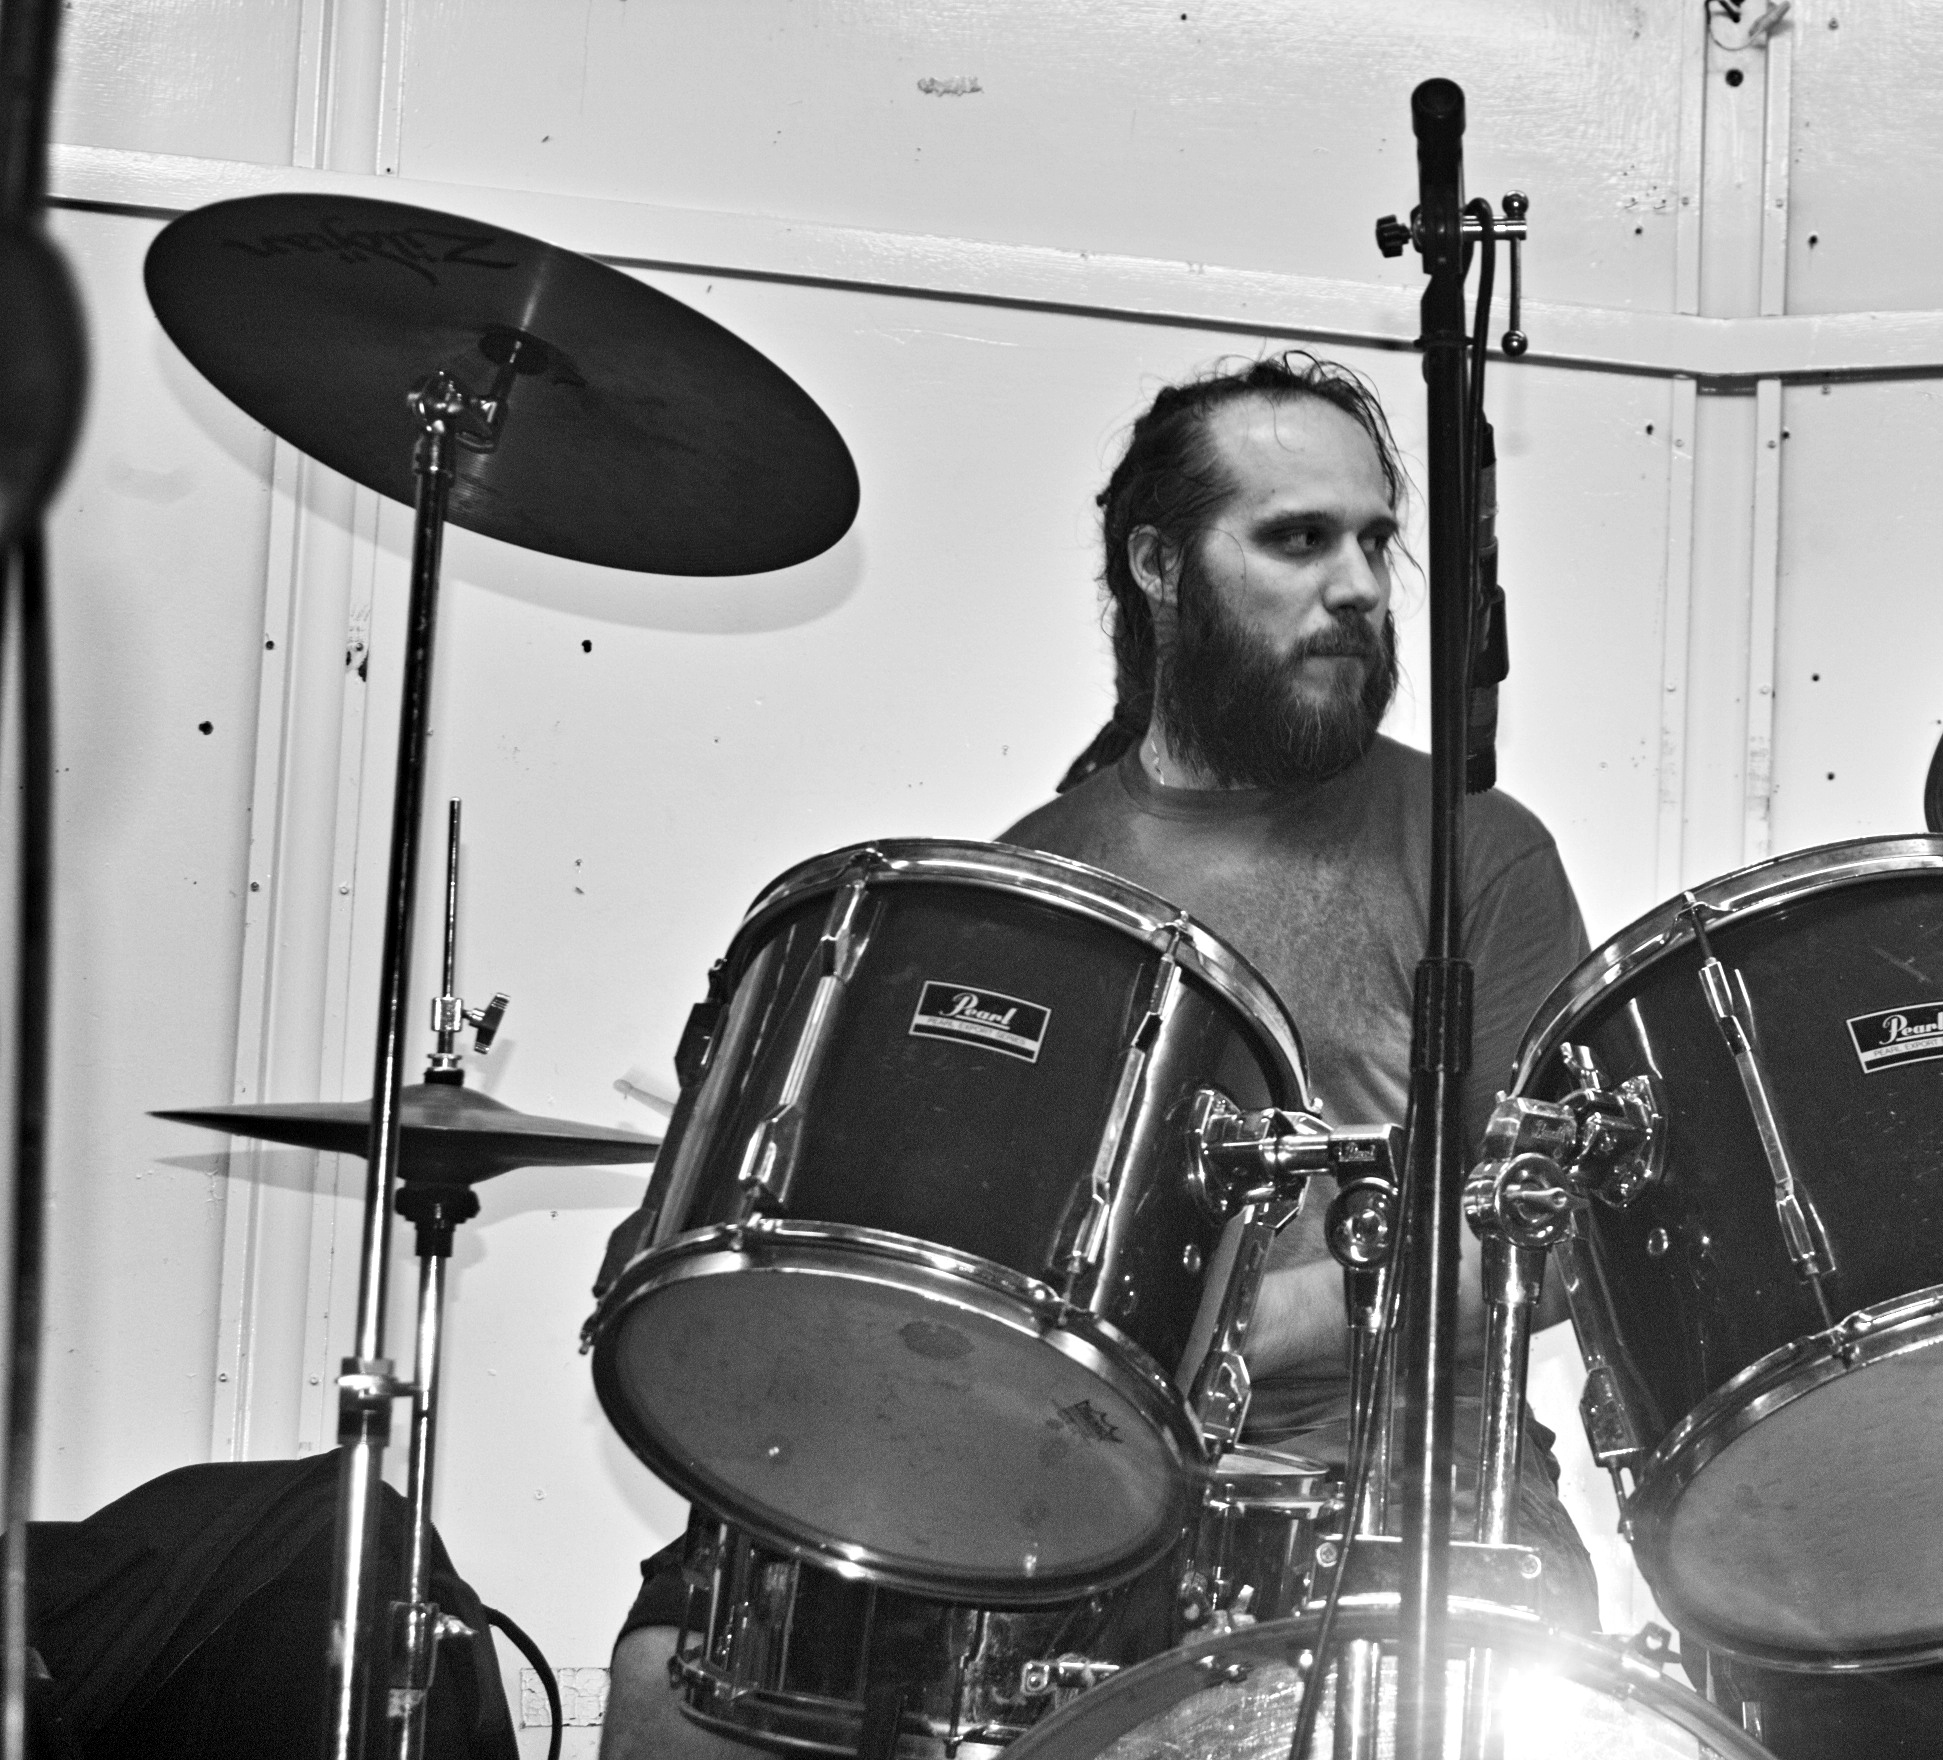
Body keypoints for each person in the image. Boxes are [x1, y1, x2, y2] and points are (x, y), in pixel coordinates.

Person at [603, 353, 1597, 1757]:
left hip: (1393, 1490)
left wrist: (1214, 1336)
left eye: (1376, 541)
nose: (1361, 587)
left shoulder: (1477, 851)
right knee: (677, 1666)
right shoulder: (1040, 879)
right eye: (1298, 539)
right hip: (1060, 1473)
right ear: (1159, 566)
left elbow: (1545, 1243)